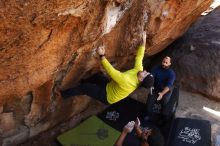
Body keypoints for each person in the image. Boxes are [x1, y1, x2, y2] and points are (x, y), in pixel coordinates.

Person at [56, 31, 154, 104]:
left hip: (107, 96)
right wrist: (143, 40)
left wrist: (102, 55)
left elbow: (111, 71)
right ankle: (82, 82)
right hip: (110, 86)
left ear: (141, 79)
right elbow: (140, 56)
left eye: (145, 74)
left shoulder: (128, 82)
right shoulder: (139, 71)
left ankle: (63, 95)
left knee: (85, 88)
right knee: (97, 76)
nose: (144, 71)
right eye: (147, 72)